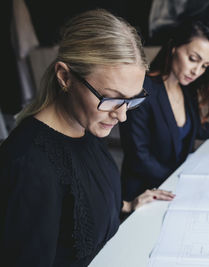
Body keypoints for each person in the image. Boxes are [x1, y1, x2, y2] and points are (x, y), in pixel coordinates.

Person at [0, 9, 174, 266]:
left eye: (131, 99)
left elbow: (76, 210)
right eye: (112, 98)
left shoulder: (87, 125)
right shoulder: (28, 165)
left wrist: (126, 206)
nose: (122, 116)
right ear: (65, 77)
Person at [119, 20, 209, 203]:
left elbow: (196, 128)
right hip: (145, 193)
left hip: (176, 187)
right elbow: (139, 156)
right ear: (174, 48)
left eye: (205, 66)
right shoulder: (142, 90)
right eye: (193, 59)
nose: (197, 71)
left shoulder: (186, 89)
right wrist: (179, 179)